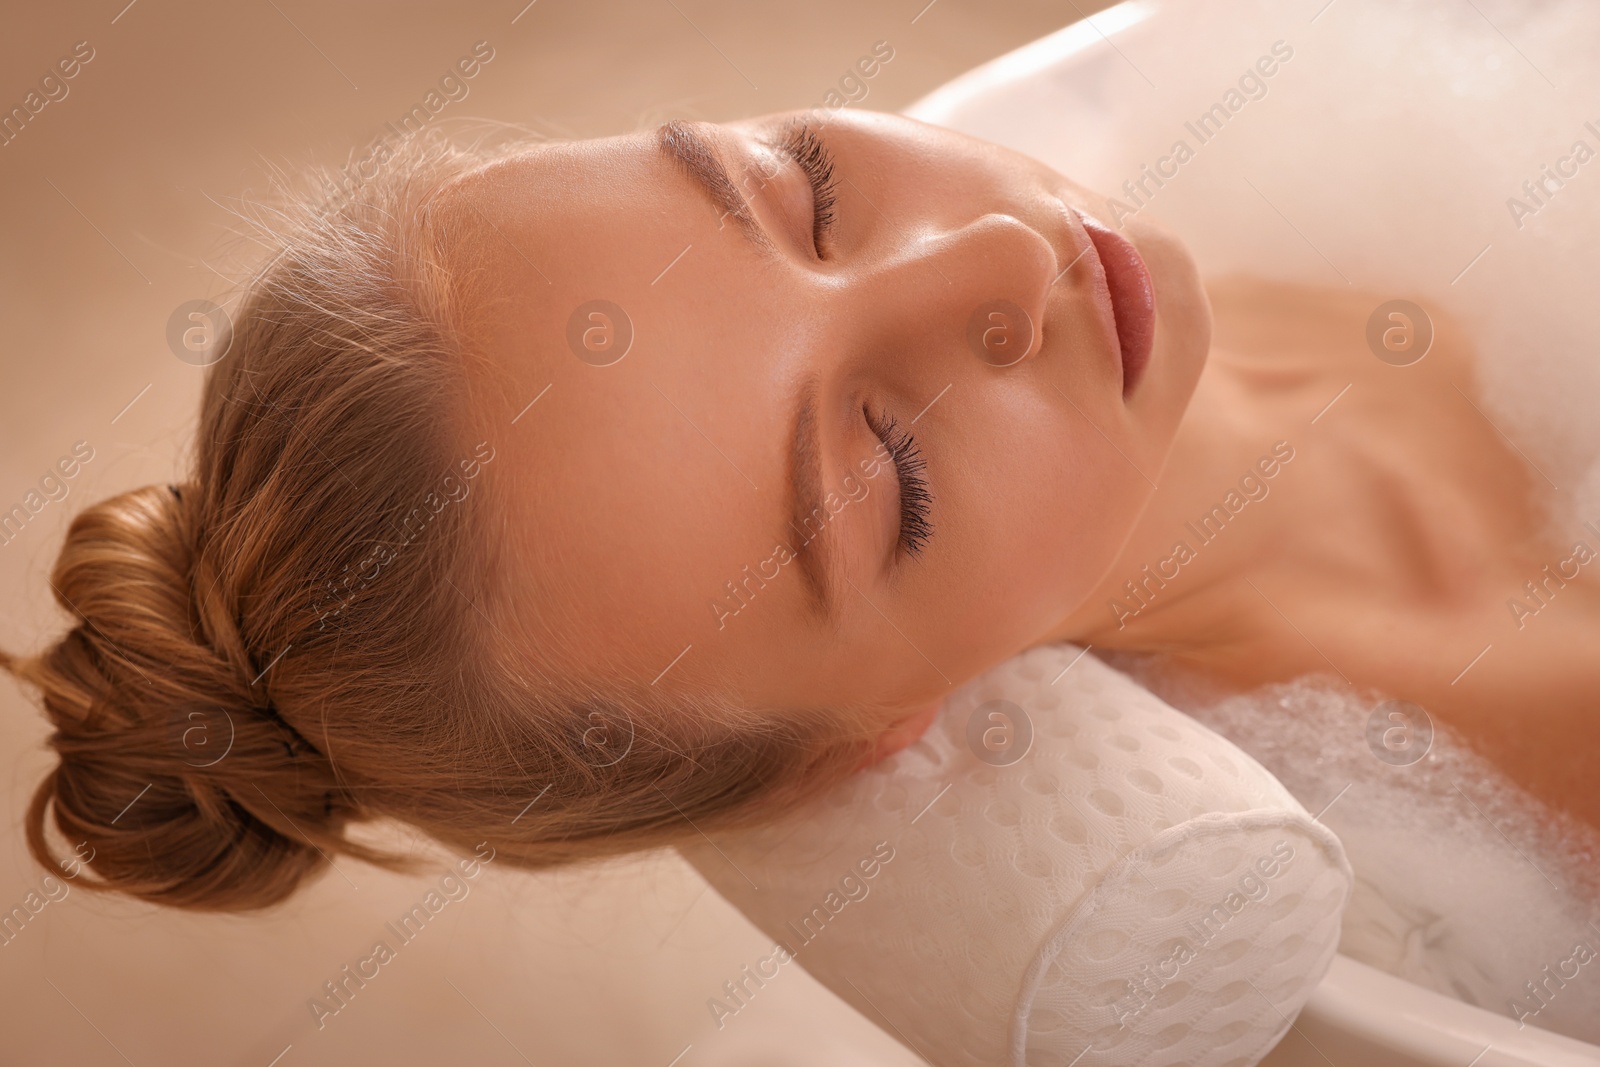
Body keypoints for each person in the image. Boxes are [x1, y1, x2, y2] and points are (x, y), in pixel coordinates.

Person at [5, 109, 1592, 913]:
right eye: (889, 477)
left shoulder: (1339, 131)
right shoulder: (1521, 731)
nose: (995, 259)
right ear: (873, 734)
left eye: (810, 189)